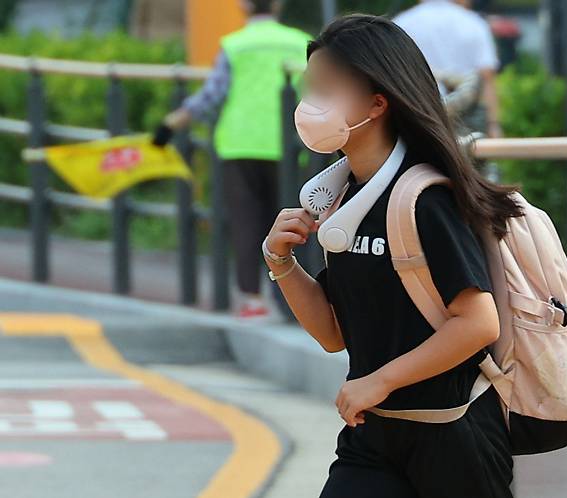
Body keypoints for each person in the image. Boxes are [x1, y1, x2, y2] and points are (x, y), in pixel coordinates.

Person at [262, 14, 524, 498]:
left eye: (326, 89)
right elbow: (333, 333)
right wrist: (281, 263)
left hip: (454, 435)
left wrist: (378, 381)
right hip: (373, 436)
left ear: (377, 102)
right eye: (309, 89)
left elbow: (477, 323)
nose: (309, 105)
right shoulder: (342, 201)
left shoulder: (426, 198)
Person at [156, 0, 311, 318]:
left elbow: (212, 95)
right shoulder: (299, 42)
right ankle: (294, 299)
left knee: (246, 222)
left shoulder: (235, 45)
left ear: (244, 6)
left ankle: (252, 300)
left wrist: (172, 122)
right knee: (292, 222)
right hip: (288, 143)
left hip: (240, 144)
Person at [393, 0, 503, 138]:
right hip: (465, 121)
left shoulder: (401, 24)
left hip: (416, 118)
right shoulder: (473, 23)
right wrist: (493, 124)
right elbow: (487, 78)